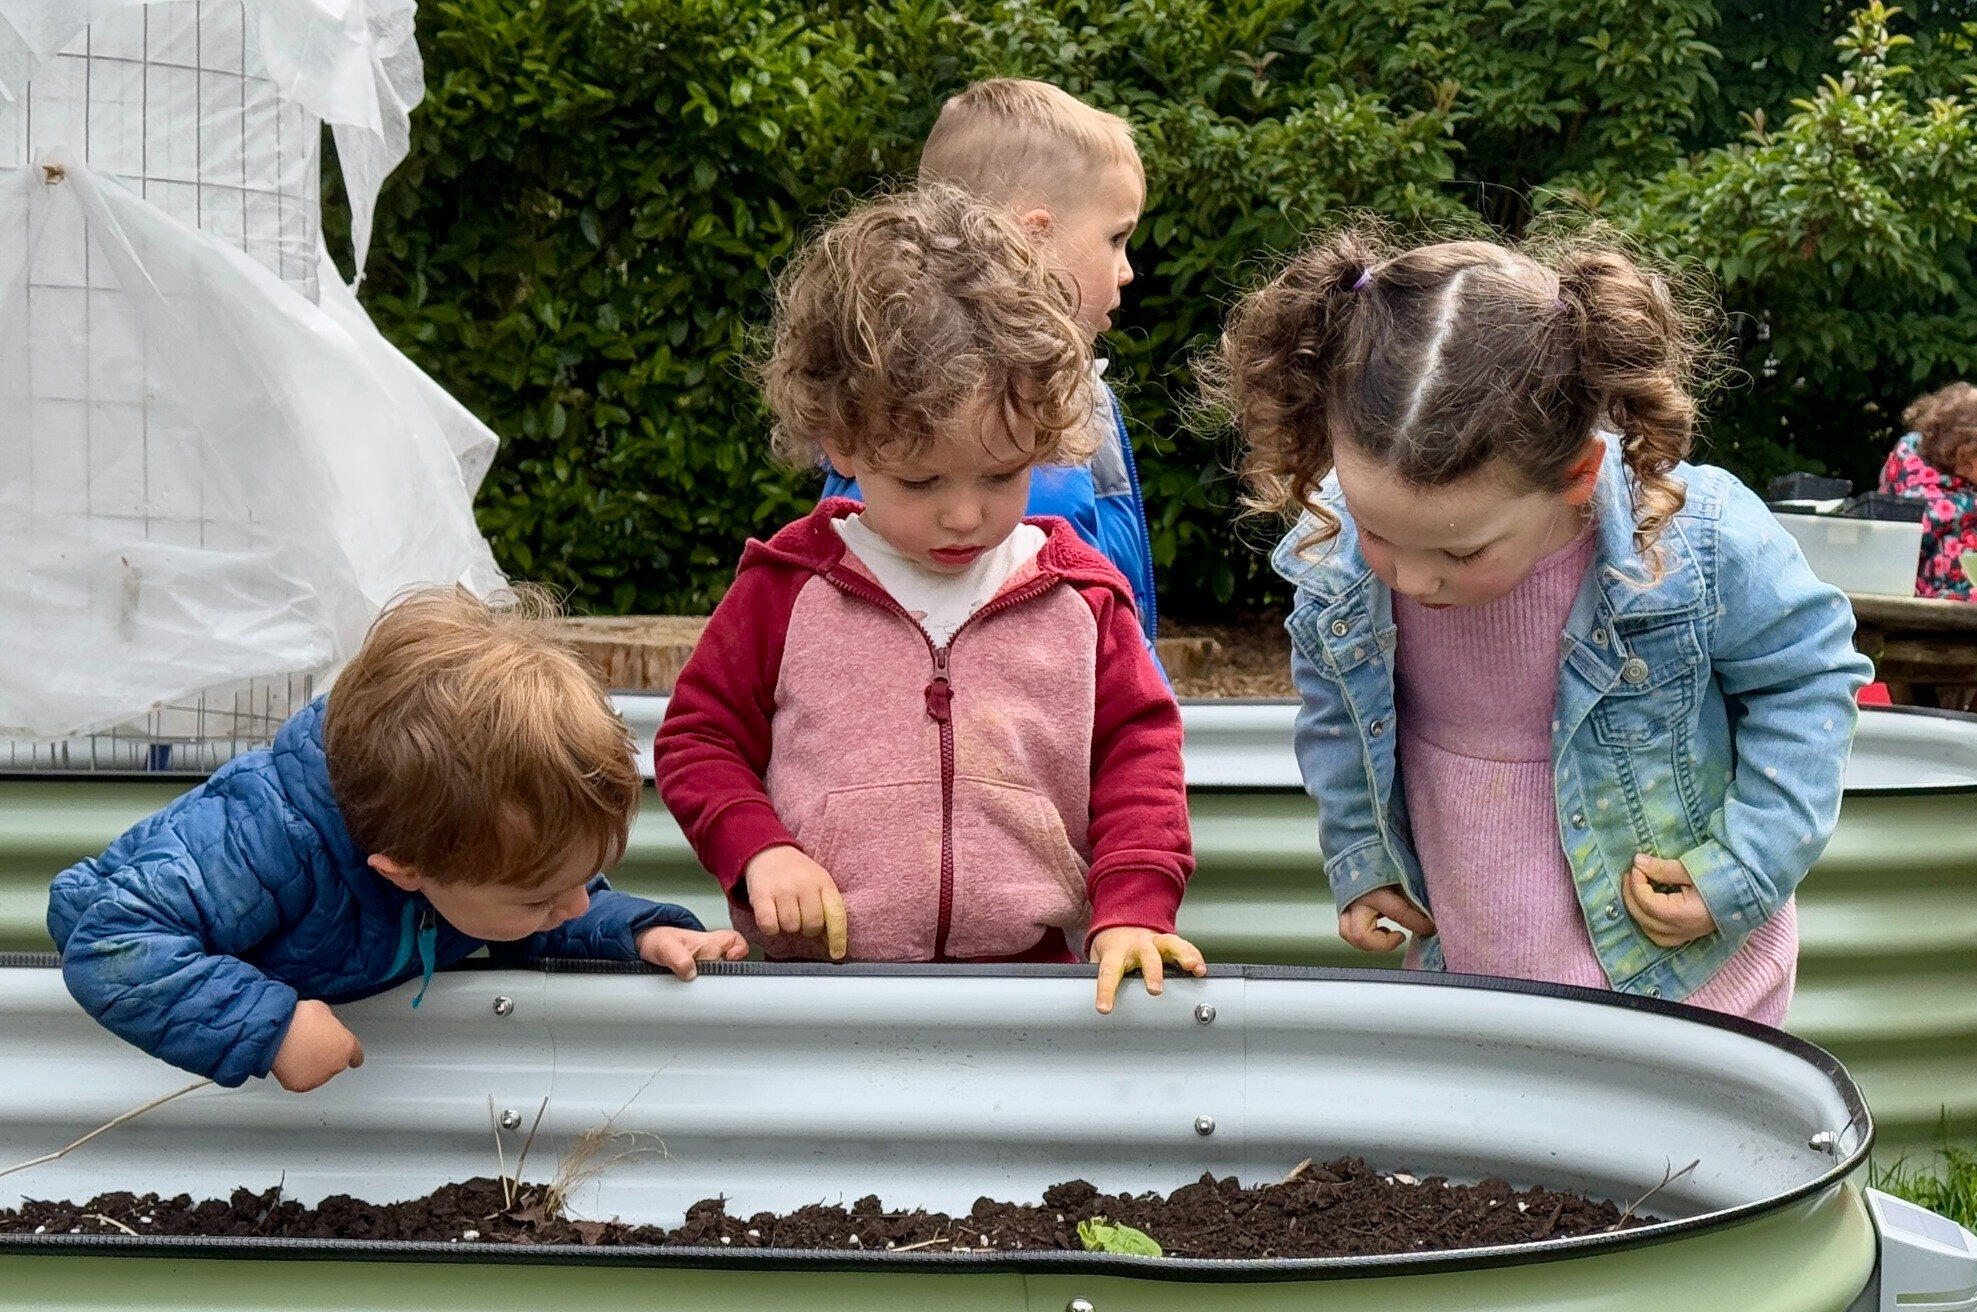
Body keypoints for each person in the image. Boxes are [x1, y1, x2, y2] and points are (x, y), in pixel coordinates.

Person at [1209, 225, 1871, 1024]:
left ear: (1576, 474)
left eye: (1461, 550)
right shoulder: (1341, 565)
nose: (1411, 579)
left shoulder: (1696, 541)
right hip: (1473, 968)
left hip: (1677, 984)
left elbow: (1810, 682)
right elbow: (1336, 715)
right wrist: (1362, 854)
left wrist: (1744, 868)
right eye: (1377, 531)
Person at [657, 185, 1201, 1014]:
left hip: (1036, 992)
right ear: (841, 439)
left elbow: (1141, 757)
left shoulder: (1082, 595)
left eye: (1003, 474)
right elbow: (700, 738)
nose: (964, 514)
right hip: (818, 996)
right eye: (921, 481)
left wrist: (1133, 907)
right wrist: (760, 850)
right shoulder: (785, 588)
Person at [48, 588, 744, 1091]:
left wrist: (638, 933)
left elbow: (532, 916)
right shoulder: (262, 839)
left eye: (581, 878)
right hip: (141, 949)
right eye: (542, 895)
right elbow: (112, 943)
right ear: (405, 869)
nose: (575, 903)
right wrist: (269, 1026)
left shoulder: (470, 844)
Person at [818, 79, 1161, 654]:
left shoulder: (1073, 386)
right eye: (1115, 238)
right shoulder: (946, 400)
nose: (1126, 270)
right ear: (1034, 239)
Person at [1878, 382, 1977, 601]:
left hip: (1975, 600)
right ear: (1967, 456)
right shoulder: (1918, 503)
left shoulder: (1976, 493)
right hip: (1931, 607)